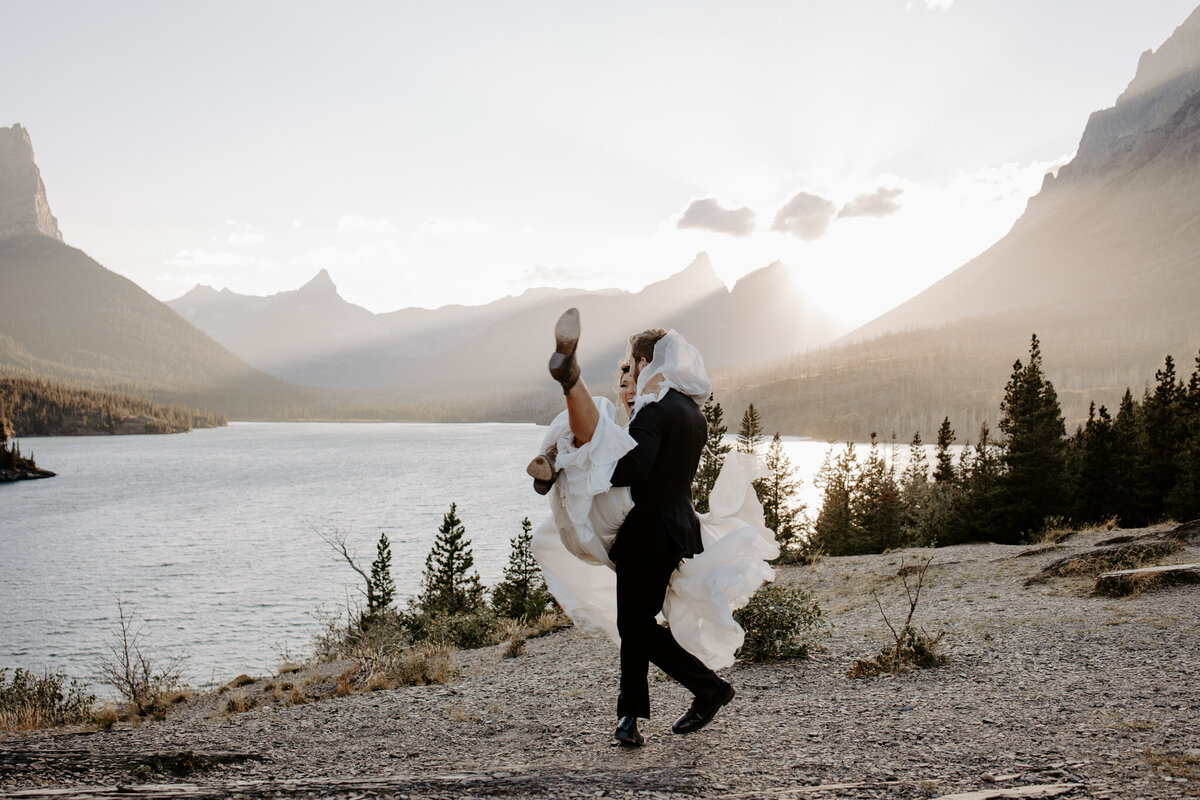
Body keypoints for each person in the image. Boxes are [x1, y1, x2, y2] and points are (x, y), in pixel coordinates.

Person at [529, 308, 778, 747]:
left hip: (647, 532)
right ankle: (631, 718)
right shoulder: (692, 413)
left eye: (632, 362)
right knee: (637, 623)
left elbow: (635, 470)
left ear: (646, 363)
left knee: (635, 626)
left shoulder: (654, 409)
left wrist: (594, 462)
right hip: (678, 529)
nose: (631, 371)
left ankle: (706, 690)